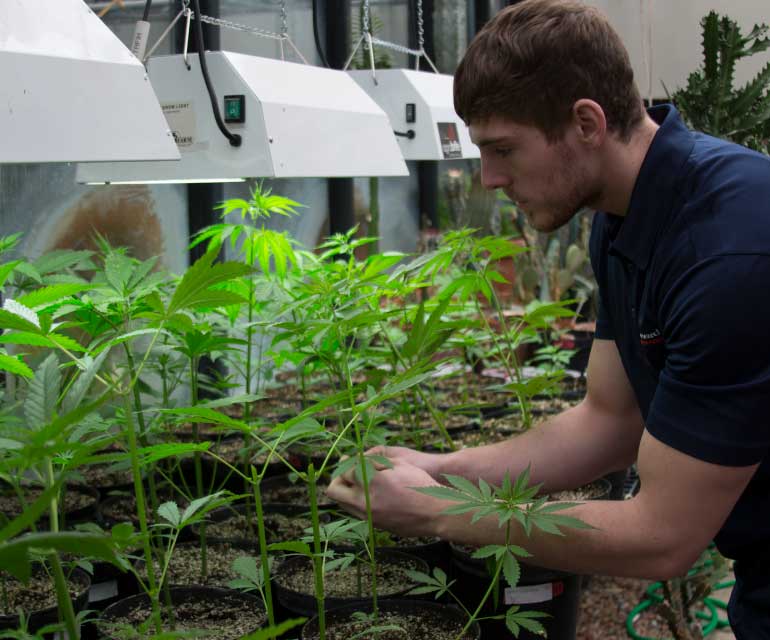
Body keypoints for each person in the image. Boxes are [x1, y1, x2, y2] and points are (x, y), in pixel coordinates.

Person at [326, 0, 770, 637]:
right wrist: (440, 468)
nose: (488, 178)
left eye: (504, 148)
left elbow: (662, 536)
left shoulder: (730, 251)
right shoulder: (622, 222)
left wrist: (437, 512)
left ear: (586, 122)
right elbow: (608, 421)